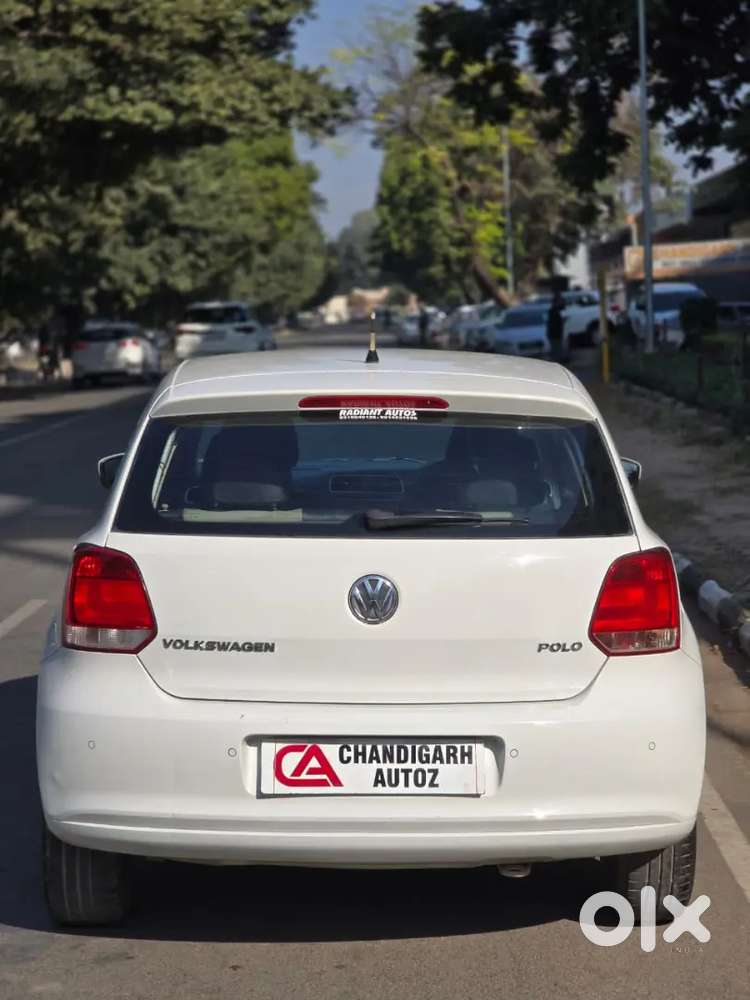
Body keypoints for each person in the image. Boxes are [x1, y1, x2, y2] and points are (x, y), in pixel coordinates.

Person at [546, 292, 566, 362]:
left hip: (555, 333)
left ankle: (557, 359)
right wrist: (562, 321)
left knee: (557, 348)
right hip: (555, 333)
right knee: (556, 349)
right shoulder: (554, 310)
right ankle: (557, 360)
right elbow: (555, 322)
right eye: (560, 301)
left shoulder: (555, 310)